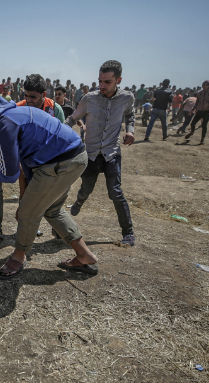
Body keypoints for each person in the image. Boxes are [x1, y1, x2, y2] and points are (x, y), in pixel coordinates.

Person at [0, 94, 98, 279]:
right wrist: (23, 196)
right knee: (52, 209)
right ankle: (85, 255)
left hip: (60, 162)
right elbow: (26, 162)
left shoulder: (3, 125)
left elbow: (10, 174)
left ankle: (18, 257)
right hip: (74, 157)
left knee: (28, 213)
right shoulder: (13, 113)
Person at [66, 60, 136, 247]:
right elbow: (73, 118)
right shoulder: (89, 99)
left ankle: (128, 233)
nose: (102, 86)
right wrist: (58, 132)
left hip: (111, 153)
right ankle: (79, 202)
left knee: (115, 192)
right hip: (90, 154)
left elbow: (130, 115)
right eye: (100, 81)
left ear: (118, 80)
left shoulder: (126, 98)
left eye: (107, 82)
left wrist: (130, 130)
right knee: (86, 188)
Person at [184, 80, 209, 145]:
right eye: (204, 84)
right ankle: (191, 132)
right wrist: (193, 109)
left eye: (207, 84)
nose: (205, 86)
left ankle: (202, 139)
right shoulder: (200, 93)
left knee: (204, 125)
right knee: (192, 124)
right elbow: (197, 102)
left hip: (207, 111)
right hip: (199, 110)